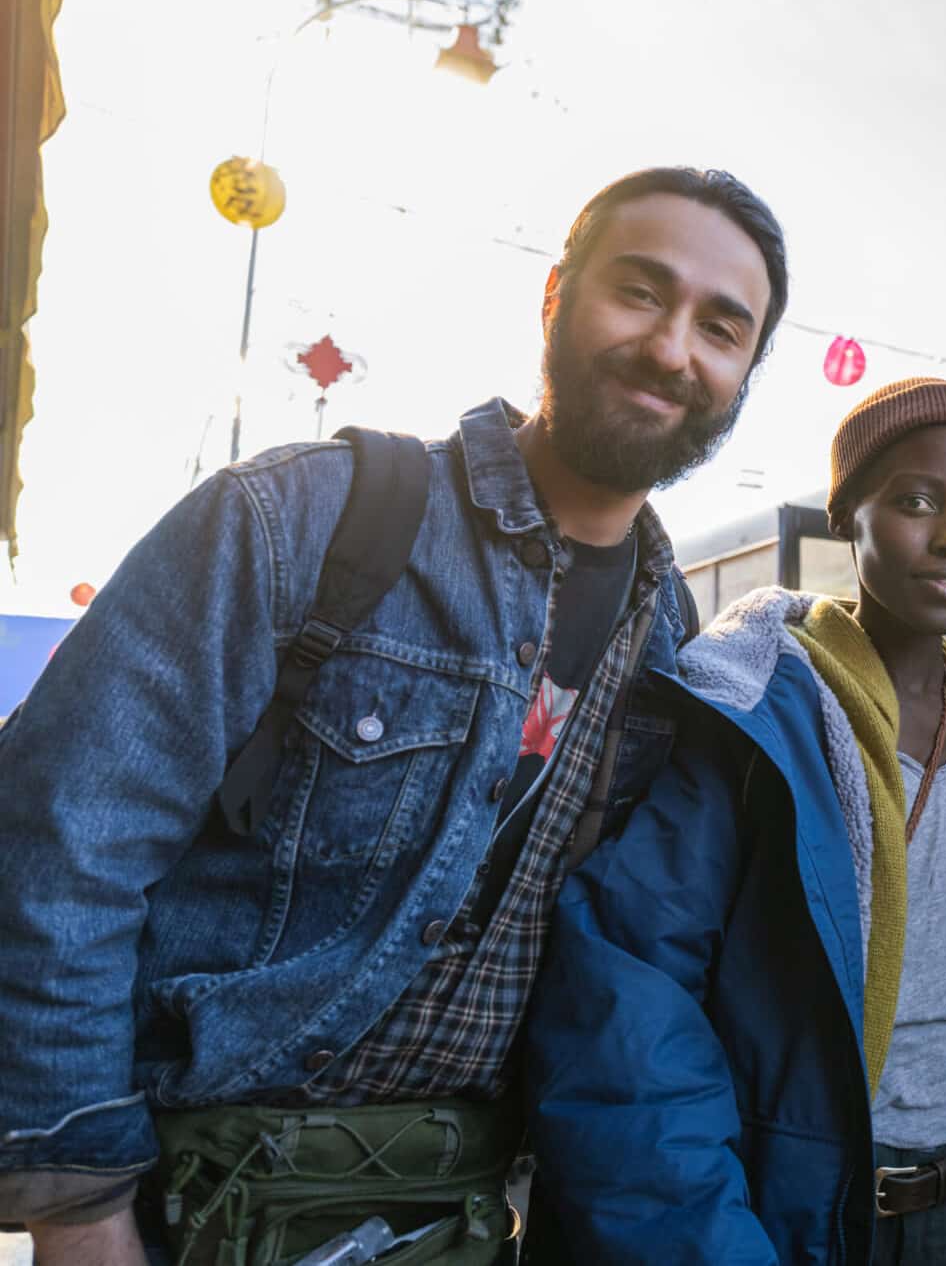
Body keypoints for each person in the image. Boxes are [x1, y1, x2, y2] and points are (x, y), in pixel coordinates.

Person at [0, 166, 789, 1265]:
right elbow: (58, 849)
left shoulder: (666, 644)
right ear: (557, 296)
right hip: (189, 1200)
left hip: (460, 1214)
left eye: (720, 327)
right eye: (641, 291)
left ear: (745, 372)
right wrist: (79, 1210)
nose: (671, 348)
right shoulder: (302, 518)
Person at [523, 377, 946, 1265]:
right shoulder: (755, 722)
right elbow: (627, 1006)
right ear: (847, 516)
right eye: (916, 502)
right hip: (811, 1214)